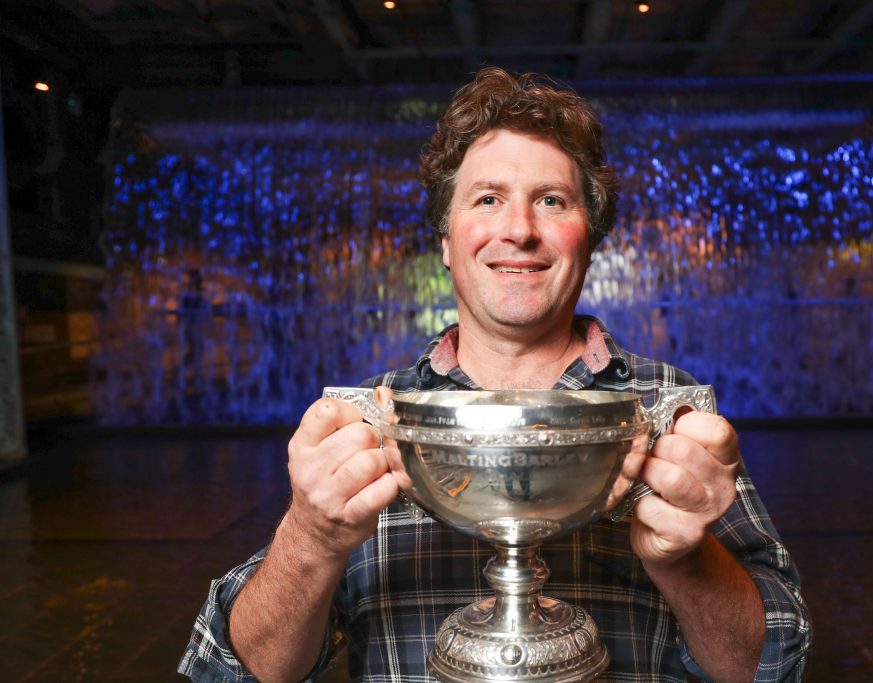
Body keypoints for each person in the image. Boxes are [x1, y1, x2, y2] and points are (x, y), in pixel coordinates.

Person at [179, 67, 811, 682]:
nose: (519, 230)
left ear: (589, 238)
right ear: (446, 241)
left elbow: (773, 665)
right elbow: (232, 670)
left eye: (551, 201)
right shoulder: (373, 422)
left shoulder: (668, 417)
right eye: (488, 199)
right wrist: (311, 540)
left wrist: (689, 559)